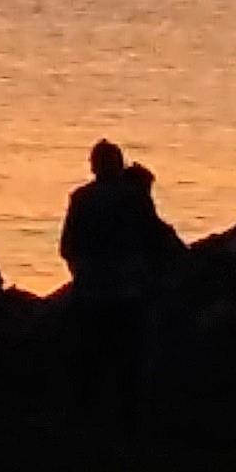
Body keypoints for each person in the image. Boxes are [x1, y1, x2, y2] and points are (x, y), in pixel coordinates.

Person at [60, 140, 183, 404]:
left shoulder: (81, 198)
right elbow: (156, 239)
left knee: (93, 356)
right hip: (128, 290)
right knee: (130, 356)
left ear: (93, 167)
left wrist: (83, 273)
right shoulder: (134, 197)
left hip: (91, 290)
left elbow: (67, 247)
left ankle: (90, 408)